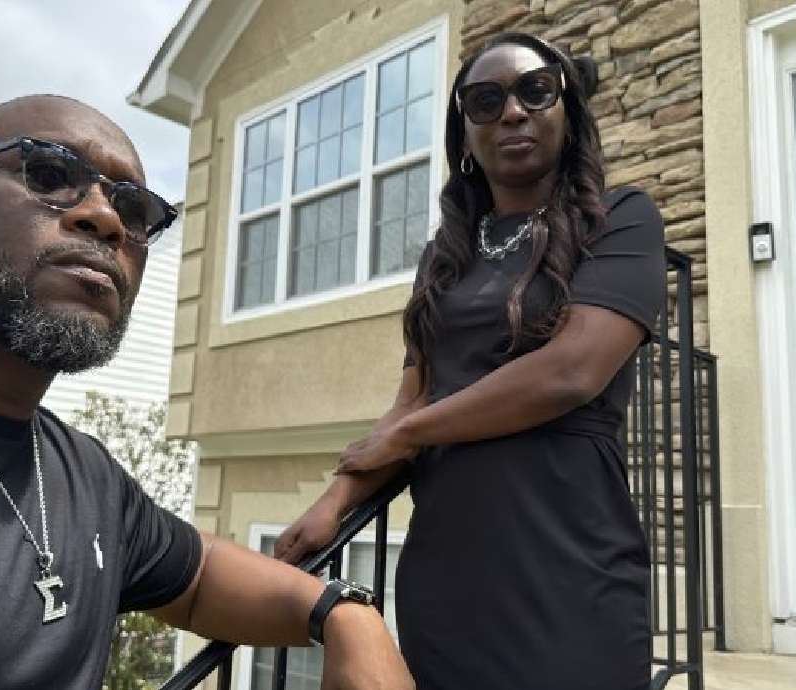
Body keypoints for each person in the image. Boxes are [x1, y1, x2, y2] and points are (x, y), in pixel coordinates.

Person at [0, 95, 412, 690]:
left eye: (135, 212)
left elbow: (198, 574)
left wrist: (343, 612)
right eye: (48, 174)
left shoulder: (85, 477)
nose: (103, 218)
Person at [275, 32, 666, 690]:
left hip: (569, 567)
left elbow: (572, 371)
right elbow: (413, 398)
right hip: (448, 580)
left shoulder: (621, 219)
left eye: (534, 91)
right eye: (484, 101)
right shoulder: (444, 257)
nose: (511, 112)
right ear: (465, 132)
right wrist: (335, 499)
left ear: (567, 114)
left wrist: (407, 433)